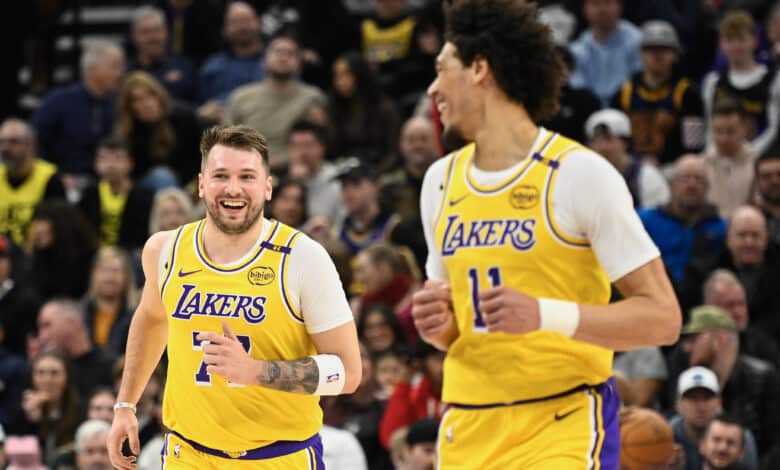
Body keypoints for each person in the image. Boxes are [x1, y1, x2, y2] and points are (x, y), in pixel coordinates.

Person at [414, 1, 681, 468]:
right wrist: (439, 326)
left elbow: (663, 317)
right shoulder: (439, 181)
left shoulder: (578, 174)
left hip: (562, 419)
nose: (433, 87)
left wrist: (544, 315)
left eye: (443, 70)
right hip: (468, 424)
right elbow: (458, 331)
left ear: (480, 69)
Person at [107, 125, 361, 469]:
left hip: (278, 457)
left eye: (247, 177)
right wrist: (126, 405)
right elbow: (153, 320)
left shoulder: (303, 258)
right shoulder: (165, 250)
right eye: (221, 175)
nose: (233, 188)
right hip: (189, 455)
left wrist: (256, 371)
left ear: (267, 187)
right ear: (200, 184)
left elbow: (347, 372)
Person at [224, 34, 326, 172]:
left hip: (294, 171)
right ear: (263, 61)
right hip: (247, 169)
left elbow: (321, 143)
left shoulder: (313, 98)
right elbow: (224, 142)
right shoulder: (240, 97)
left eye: (290, 53)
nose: (283, 57)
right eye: (277, 52)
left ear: (300, 64)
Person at [610, 20, 705, 166]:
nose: (657, 55)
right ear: (641, 54)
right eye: (650, 49)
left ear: (675, 54)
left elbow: (694, 145)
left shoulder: (688, 94)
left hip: (674, 168)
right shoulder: (623, 94)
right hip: (630, 167)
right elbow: (614, 139)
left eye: (663, 49)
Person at [32, 41, 125, 184]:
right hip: (63, 181)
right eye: (115, 66)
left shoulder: (119, 104)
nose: (120, 73)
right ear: (93, 69)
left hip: (108, 182)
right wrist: (55, 177)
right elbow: (36, 144)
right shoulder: (58, 101)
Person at [638, 155, 726, 286]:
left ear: (707, 187)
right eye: (685, 178)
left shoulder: (720, 228)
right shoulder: (646, 221)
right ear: (672, 184)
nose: (691, 185)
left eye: (699, 179)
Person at [669, 366, 759, 470]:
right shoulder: (665, 435)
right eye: (692, 398)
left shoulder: (740, 435)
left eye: (707, 398)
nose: (701, 407)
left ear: (719, 402)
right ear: (678, 404)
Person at [585, 108, 671, 209]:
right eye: (596, 141)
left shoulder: (646, 176)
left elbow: (656, 219)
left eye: (609, 139)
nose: (603, 147)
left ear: (625, 142)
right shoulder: (582, 177)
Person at [77, 137, 153, 250]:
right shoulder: (90, 193)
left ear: (130, 164)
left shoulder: (143, 196)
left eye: (117, 159)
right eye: (104, 159)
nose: (110, 165)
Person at [0, 118, 65, 247]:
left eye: (14, 142)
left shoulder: (50, 178)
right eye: (1, 142)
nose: (5, 148)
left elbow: (58, 228)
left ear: (31, 145)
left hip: (35, 257)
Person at [702, 99, 758, 219]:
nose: (723, 139)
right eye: (718, 131)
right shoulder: (701, 164)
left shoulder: (758, 163)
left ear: (744, 128)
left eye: (730, 131)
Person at [127, 6, 196, 102]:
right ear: (134, 37)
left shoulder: (184, 66)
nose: (153, 37)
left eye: (157, 30)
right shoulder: (126, 74)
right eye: (145, 32)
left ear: (166, 33)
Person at [754, 143, 780, 246]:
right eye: (766, 176)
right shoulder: (748, 221)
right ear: (756, 183)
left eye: (779, 174)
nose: (774, 181)